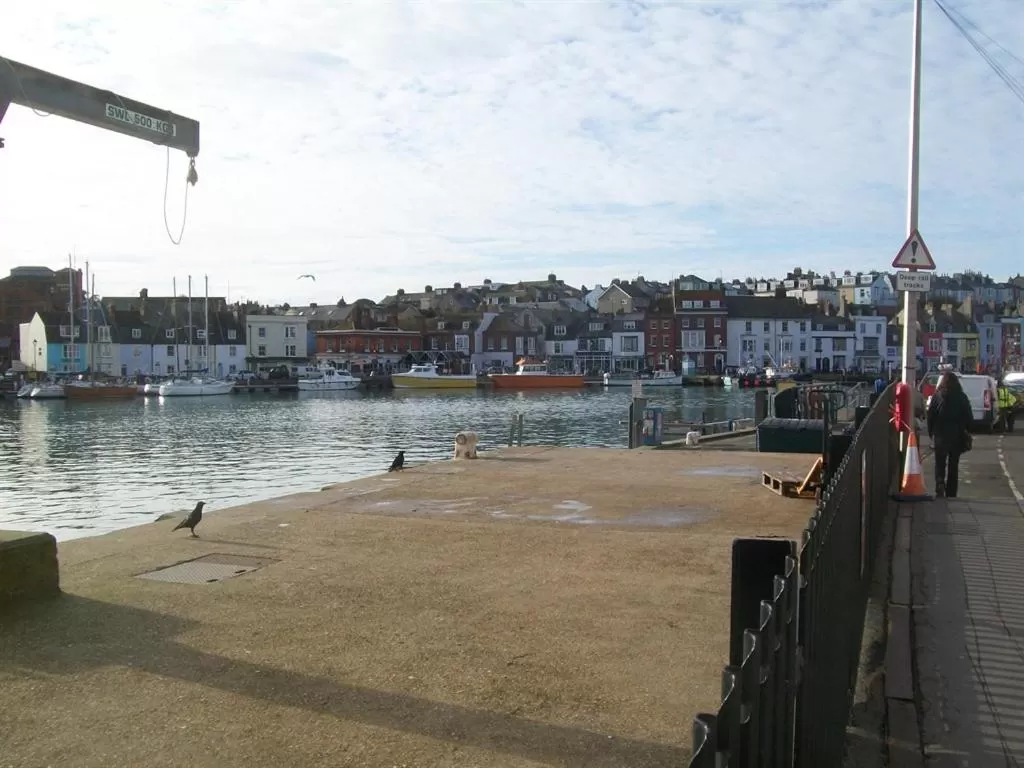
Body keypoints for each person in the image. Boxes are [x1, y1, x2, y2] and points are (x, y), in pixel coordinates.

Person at [926, 372, 974, 498]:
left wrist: (931, 432)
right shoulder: (961, 396)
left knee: (940, 463)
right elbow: (969, 417)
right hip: (956, 436)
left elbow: (931, 415)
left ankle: (940, 484)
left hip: (940, 436)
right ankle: (951, 492)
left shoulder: (937, 396)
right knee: (954, 465)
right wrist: (967, 429)